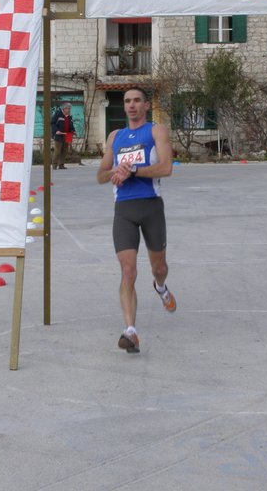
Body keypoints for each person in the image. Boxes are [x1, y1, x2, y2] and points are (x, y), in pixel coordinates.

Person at [96, 87, 176, 354]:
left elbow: (166, 168)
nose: (131, 105)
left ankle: (161, 287)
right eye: (127, 101)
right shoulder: (115, 136)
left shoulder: (156, 131)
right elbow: (100, 175)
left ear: (146, 105)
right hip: (124, 210)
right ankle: (130, 331)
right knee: (128, 271)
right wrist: (115, 172)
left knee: (159, 267)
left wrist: (133, 171)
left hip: (151, 207)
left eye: (136, 100)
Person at [50, 102, 75, 170]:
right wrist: (56, 131)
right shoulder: (58, 114)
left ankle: (61, 165)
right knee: (57, 151)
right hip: (59, 135)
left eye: (70, 109)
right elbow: (52, 123)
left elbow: (71, 125)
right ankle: (54, 165)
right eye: (68, 109)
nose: (69, 110)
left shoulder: (69, 116)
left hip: (67, 135)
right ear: (64, 109)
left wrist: (73, 131)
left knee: (64, 151)